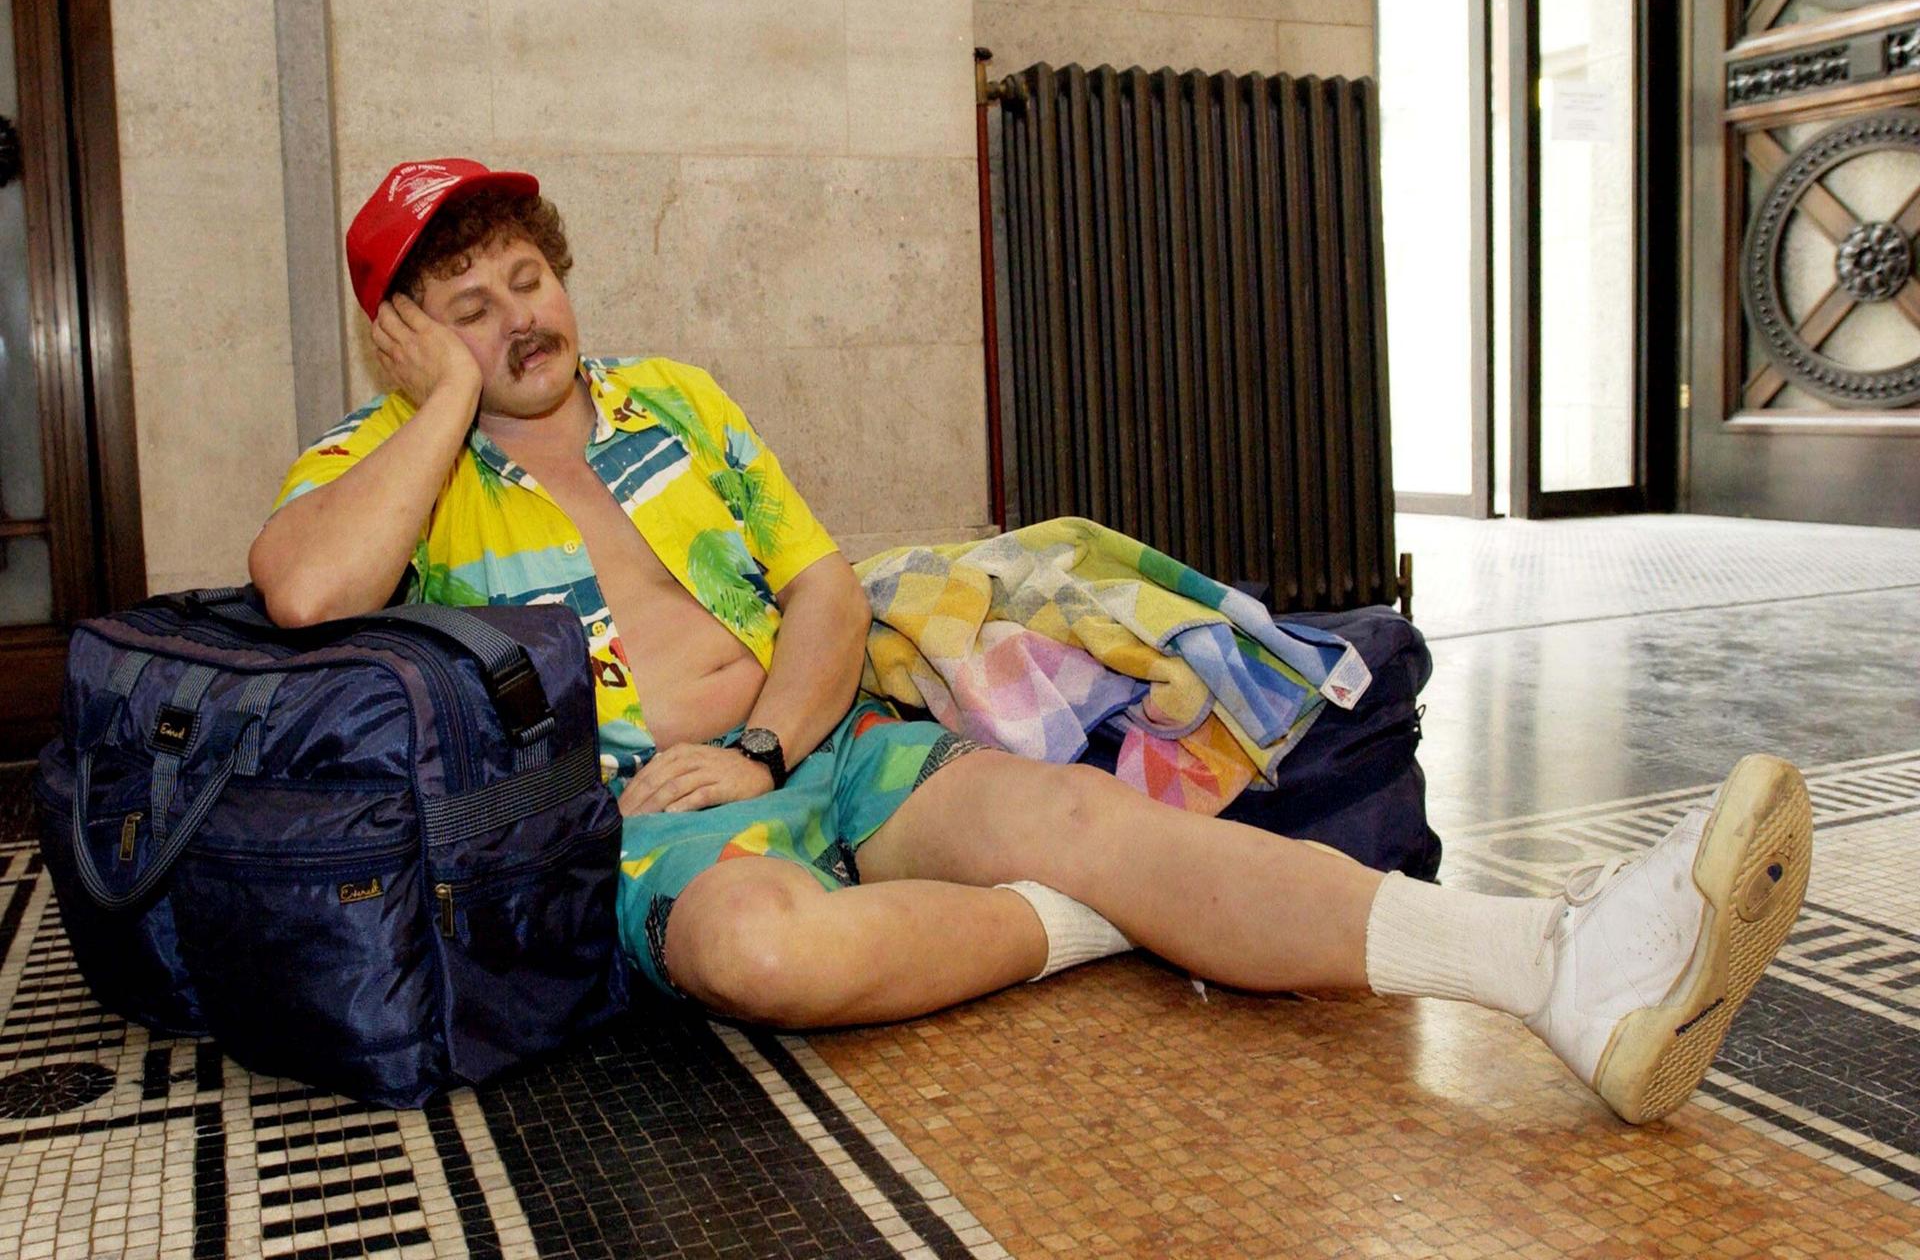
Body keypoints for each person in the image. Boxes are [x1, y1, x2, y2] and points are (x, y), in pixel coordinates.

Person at [250, 158, 1813, 1126]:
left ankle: (1559, 970)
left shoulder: (679, 401)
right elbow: (304, 594)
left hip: (824, 745)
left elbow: (825, 595)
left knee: (1077, 814)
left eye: (529, 279)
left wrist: (772, 741)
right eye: (466, 304)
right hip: (645, 833)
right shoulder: (391, 470)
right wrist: (439, 406)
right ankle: (1133, 918)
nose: (521, 317)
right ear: (402, 341)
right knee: (764, 952)